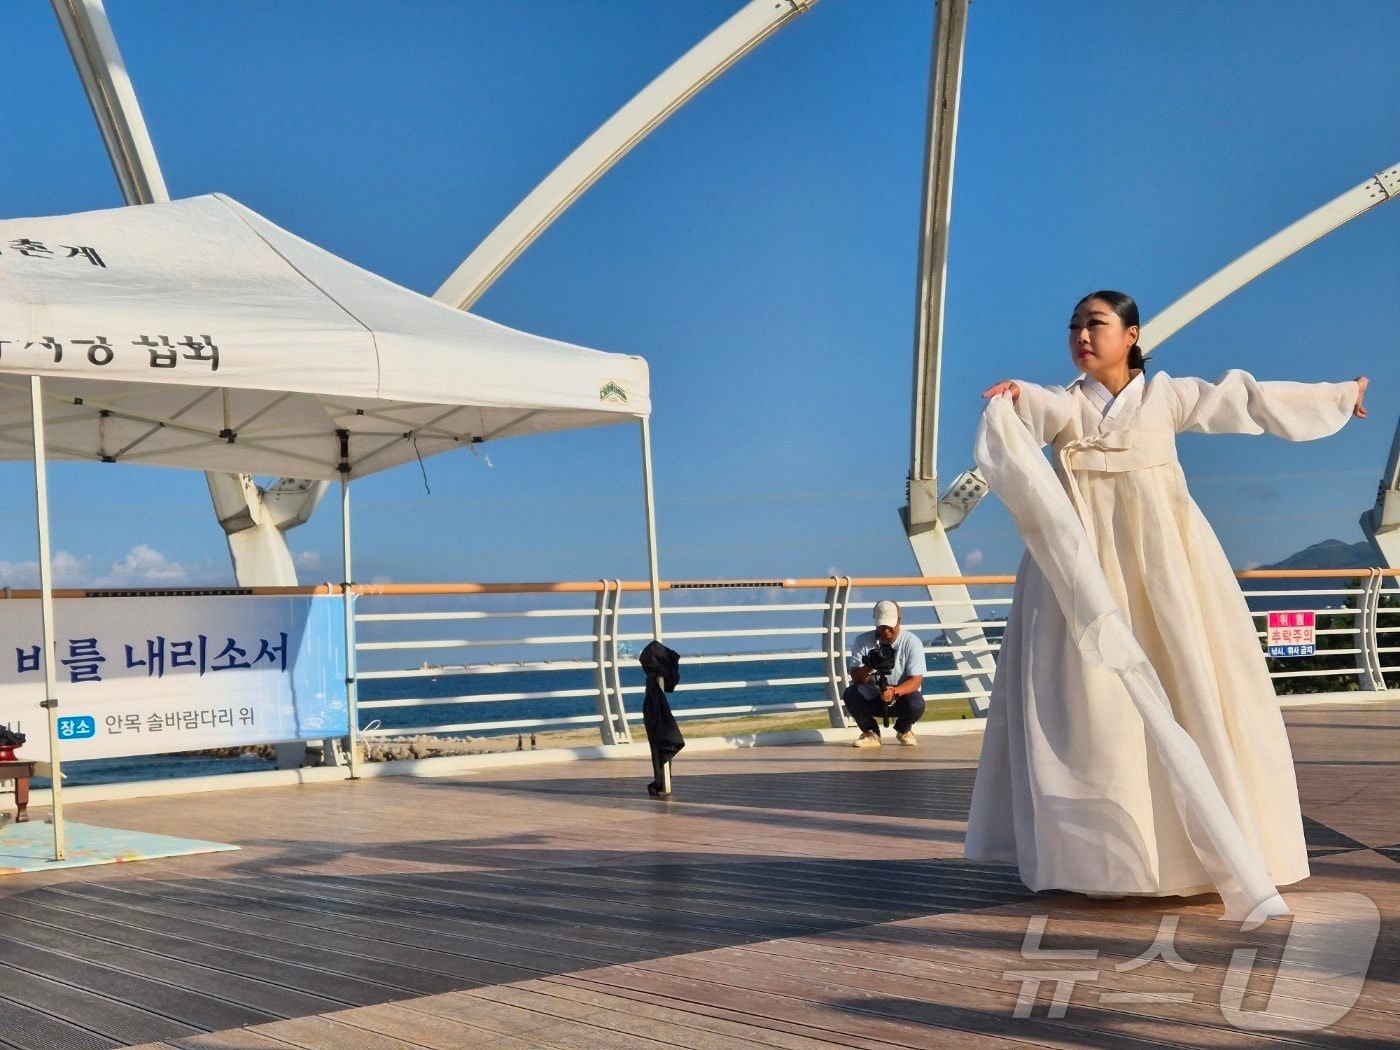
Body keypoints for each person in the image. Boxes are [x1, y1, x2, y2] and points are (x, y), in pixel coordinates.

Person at [966, 289, 1369, 902]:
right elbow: (1036, 407)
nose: (1081, 335)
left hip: (1169, 566)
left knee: (1192, 686)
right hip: (1082, 569)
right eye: (1074, 326)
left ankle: (1203, 852)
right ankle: (1098, 862)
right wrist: (1017, 397)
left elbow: (1244, 398)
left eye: (1095, 324)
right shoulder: (1066, 405)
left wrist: (1338, 396)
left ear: (1131, 335)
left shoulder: (1168, 395)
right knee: (1089, 705)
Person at [845, 600, 927, 747]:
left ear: (899, 621)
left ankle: (904, 729)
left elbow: (916, 681)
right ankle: (871, 732)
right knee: (851, 693)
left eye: (890, 627)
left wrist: (895, 691)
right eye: (882, 627)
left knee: (917, 704)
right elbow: (856, 679)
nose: (886, 632)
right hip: (874, 695)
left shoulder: (912, 642)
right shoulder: (862, 641)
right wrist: (869, 666)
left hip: (901, 697)